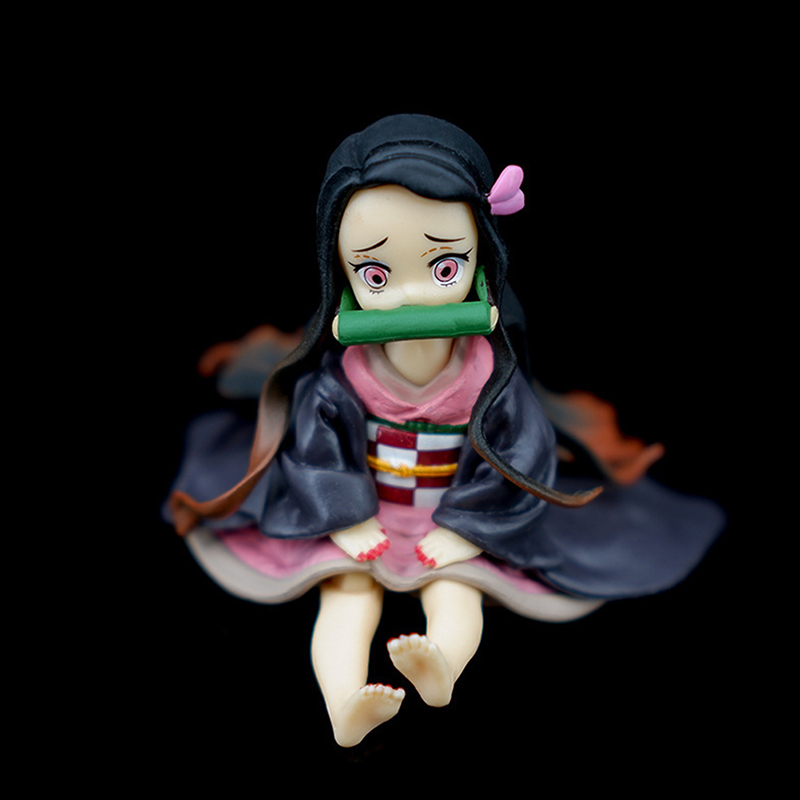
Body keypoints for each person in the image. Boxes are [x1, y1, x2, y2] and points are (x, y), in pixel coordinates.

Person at [165, 114, 724, 747]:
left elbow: (523, 452)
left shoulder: (490, 375)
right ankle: (344, 705)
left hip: (453, 514)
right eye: (377, 276)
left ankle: (442, 669)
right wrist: (347, 518)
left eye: (443, 268)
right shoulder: (341, 375)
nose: (411, 298)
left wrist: (464, 528)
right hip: (369, 511)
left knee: (457, 591)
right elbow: (315, 450)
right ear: (341, 275)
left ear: (481, 257)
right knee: (345, 593)